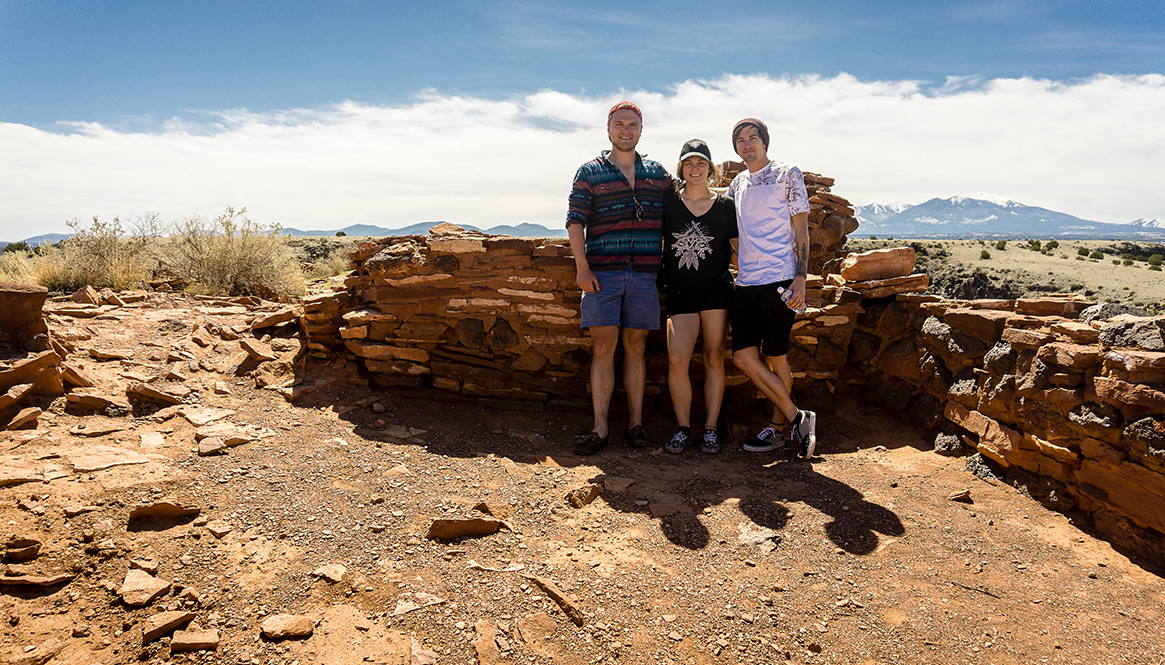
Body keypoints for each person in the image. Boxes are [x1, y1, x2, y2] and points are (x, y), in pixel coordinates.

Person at [566, 101, 671, 455]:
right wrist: (582, 268)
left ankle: (636, 425)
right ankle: (600, 428)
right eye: (619, 124)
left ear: (641, 130)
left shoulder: (657, 174)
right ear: (608, 129)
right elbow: (575, 221)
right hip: (601, 274)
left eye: (633, 125)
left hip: (644, 274)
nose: (626, 130)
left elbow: (683, 207)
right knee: (603, 349)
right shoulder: (590, 172)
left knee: (637, 348)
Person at [725, 118, 818, 458]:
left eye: (753, 138)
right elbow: (731, 226)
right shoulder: (737, 183)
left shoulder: (786, 173)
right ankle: (799, 418)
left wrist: (801, 276)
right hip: (746, 282)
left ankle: (778, 429)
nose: (747, 144)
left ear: (765, 141)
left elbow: (802, 230)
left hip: (780, 279)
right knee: (743, 357)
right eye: (740, 140)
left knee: (776, 357)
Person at [660, 139, 737, 455]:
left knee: (714, 357)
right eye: (689, 162)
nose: (695, 168)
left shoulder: (725, 207)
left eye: (701, 162)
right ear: (681, 168)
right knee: (677, 358)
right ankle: (682, 428)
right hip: (680, 293)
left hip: (717, 292)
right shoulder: (669, 202)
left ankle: (709, 429)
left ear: (710, 168)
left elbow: (738, 249)